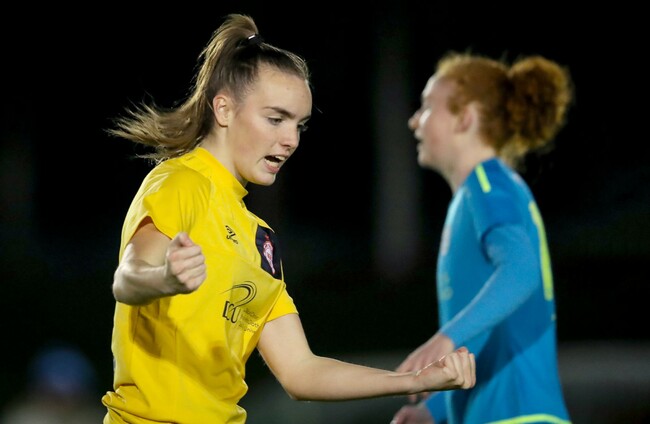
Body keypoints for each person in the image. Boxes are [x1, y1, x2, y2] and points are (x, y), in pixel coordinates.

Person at [101, 14, 476, 424]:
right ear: (224, 109)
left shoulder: (259, 238)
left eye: (300, 125)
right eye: (276, 119)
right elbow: (128, 278)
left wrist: (415, 380)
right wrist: (165, 279)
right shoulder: (182, 182)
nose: (291, 140)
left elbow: (301, 371)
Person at [390, 51, 574, 424]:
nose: (414, 120)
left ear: (466, 119)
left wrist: (445, 338)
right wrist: (433, 411)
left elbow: (521, 269)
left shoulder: (488, 184)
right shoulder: (474, 196)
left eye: (427, 107)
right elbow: (488, 331)